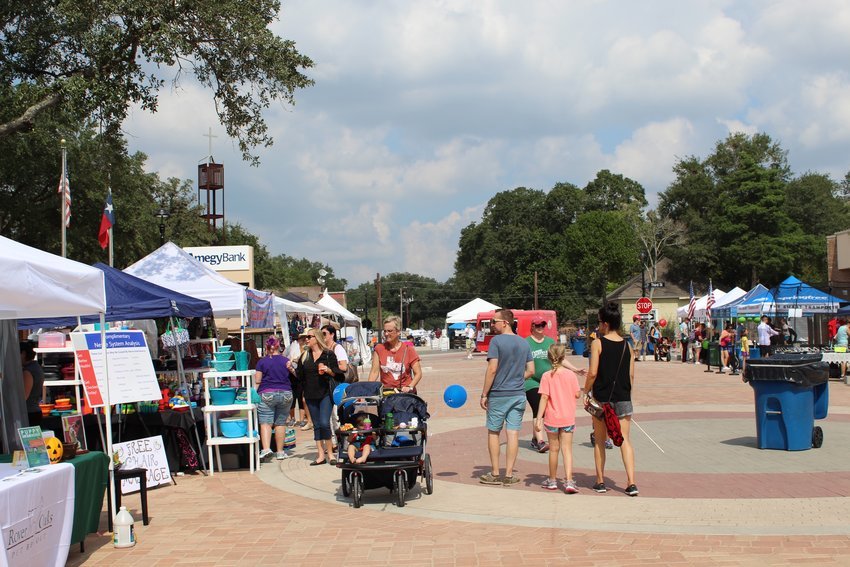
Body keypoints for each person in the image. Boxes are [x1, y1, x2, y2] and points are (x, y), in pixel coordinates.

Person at [583, 301, 638, 496]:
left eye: (599, 322)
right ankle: (631, 483)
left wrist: (585, 391)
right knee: (624, 440)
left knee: (599, 440)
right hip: (623, 397)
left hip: (601, 399)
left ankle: (600, 481)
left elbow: (592, 372)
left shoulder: (598, 343)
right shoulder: (627, 346)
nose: (598, 326)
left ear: (605, 323)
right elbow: (631, 376)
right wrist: (626, 395)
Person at [479, 309, 534, 486]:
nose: (492, 325)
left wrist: (484, 393)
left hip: (499, 393)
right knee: (513, 433)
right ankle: (509, 474)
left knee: (494, 432)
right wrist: (518, 378)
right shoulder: (524, 343)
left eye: (494, 321)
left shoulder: (496, 342)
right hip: (518, 394)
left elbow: (492, 369)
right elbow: (531, 371)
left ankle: (495, 473)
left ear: (506, 322)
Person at [535, 344, 582, 494]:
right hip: (568, 417)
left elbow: (544, 397)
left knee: (553, 450)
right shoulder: (571, 375)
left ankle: (552, 480)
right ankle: (569, 481)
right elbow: (577, 394)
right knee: (567, 449)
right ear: (564, 357)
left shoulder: (546, 376)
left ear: (549, 357)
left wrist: (538, 418)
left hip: (552, 418)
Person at [294, 328, 340, 466]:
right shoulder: (304, 356)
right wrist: (292, 368)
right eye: (306, 337)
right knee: (317, 425)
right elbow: (300, 376)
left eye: (309, 336)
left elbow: (338, 374)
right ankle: (320, 455)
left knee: (325, 423)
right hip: (310, 394)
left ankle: (330, 453)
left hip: (325, 393)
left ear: (317, 338)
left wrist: (328, 370)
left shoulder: (328, 355)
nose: (307, 339)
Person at [254, 337, 293, 461]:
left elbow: (258, 381)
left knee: (266, 422)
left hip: (267, 393)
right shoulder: (286, 361)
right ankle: (280, 452)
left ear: (266, 348)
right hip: (286, 393)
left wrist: (253, 393)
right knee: (280, 423)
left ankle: (266, 449)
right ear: (278, 347)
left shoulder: (262, 362)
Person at [368, 315, 422, 393]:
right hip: (386, 393)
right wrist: (368, 389)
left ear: (398, 332)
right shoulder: (379, 349)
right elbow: (374, 372)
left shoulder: (408, 349)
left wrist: (410, 386)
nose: (386, 334)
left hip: (405, 394)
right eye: (385, 331)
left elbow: (418, 373)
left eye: (390, 331)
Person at [525, 316, 555, 453]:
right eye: (537, 325)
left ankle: (534, 438)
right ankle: (541, 442)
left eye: (542, 325)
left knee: (544, 410)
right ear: (532, 327)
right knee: (538, 408)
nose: (540, 327)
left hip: (547, 382)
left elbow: (559, 359)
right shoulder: (526, 343)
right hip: (531, 381)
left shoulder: (550, 342)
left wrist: (574, 369)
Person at [286, 334, 311, 427]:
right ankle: (292, 418)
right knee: (292, 398)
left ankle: (301, 420)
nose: (303, 340)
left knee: (301, 398)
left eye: (304, 338)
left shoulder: (307, 349)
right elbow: (285, 357)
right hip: (292, 376)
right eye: (301, 338)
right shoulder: (291, 347)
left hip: (302, 376)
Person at [21, 341, 44, 426]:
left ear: (23, 354)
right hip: (34, 412)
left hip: (29, 413)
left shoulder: (28, 371)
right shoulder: (36, 367)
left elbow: (23, 397)